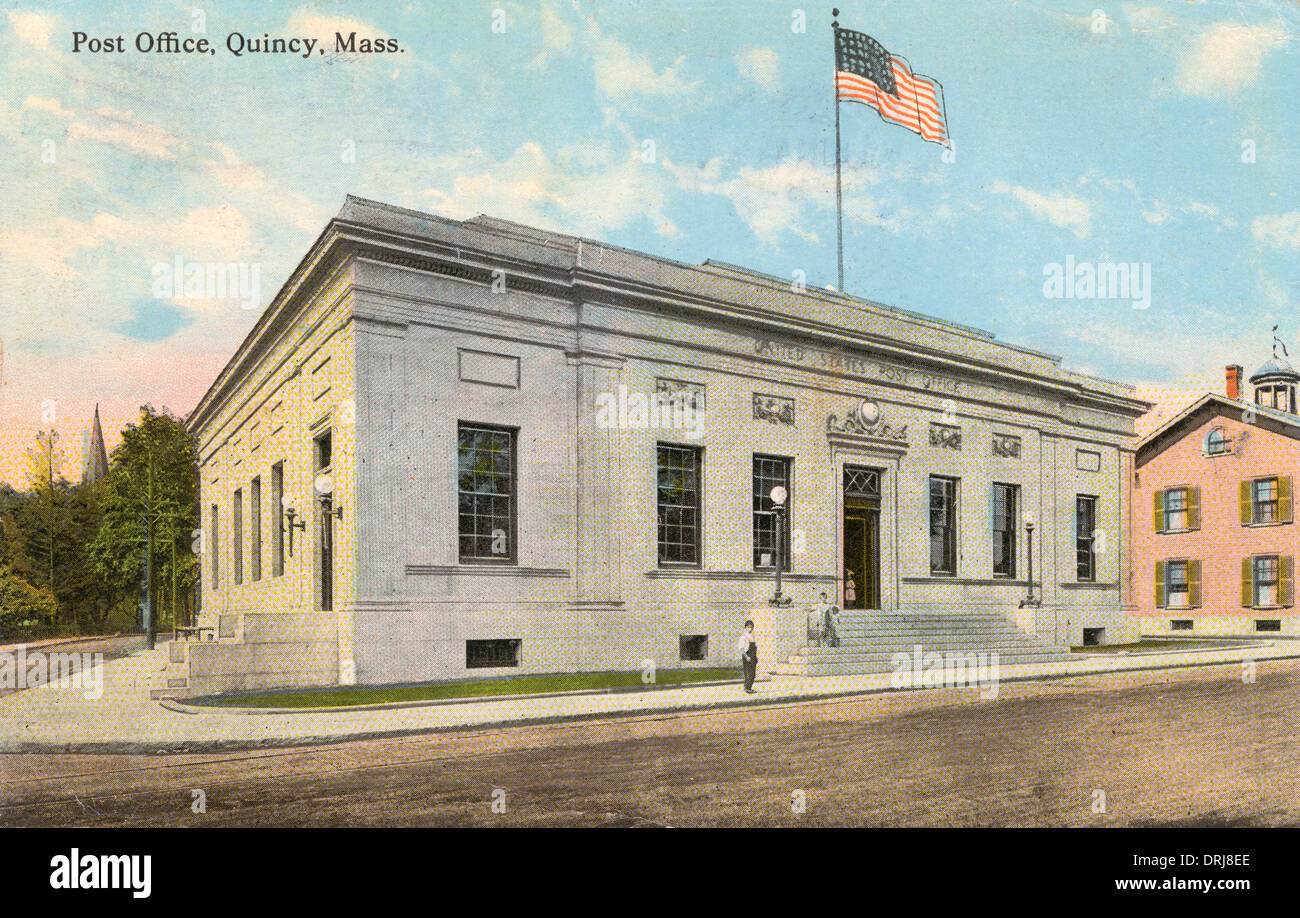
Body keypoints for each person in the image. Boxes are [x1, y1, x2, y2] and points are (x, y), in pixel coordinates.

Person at [737, 620, 758, 693]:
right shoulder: (743, 637)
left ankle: (749, 687)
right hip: (747, 656)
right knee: (748, 673)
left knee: (753, 673)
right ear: (746, 628)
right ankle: (747, 688)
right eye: (749, 627)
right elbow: (741, 649)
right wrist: (747, 657)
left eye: (752, 627)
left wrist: (755, 657)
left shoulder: (752, 636)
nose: (750, 629)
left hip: (753, 656)